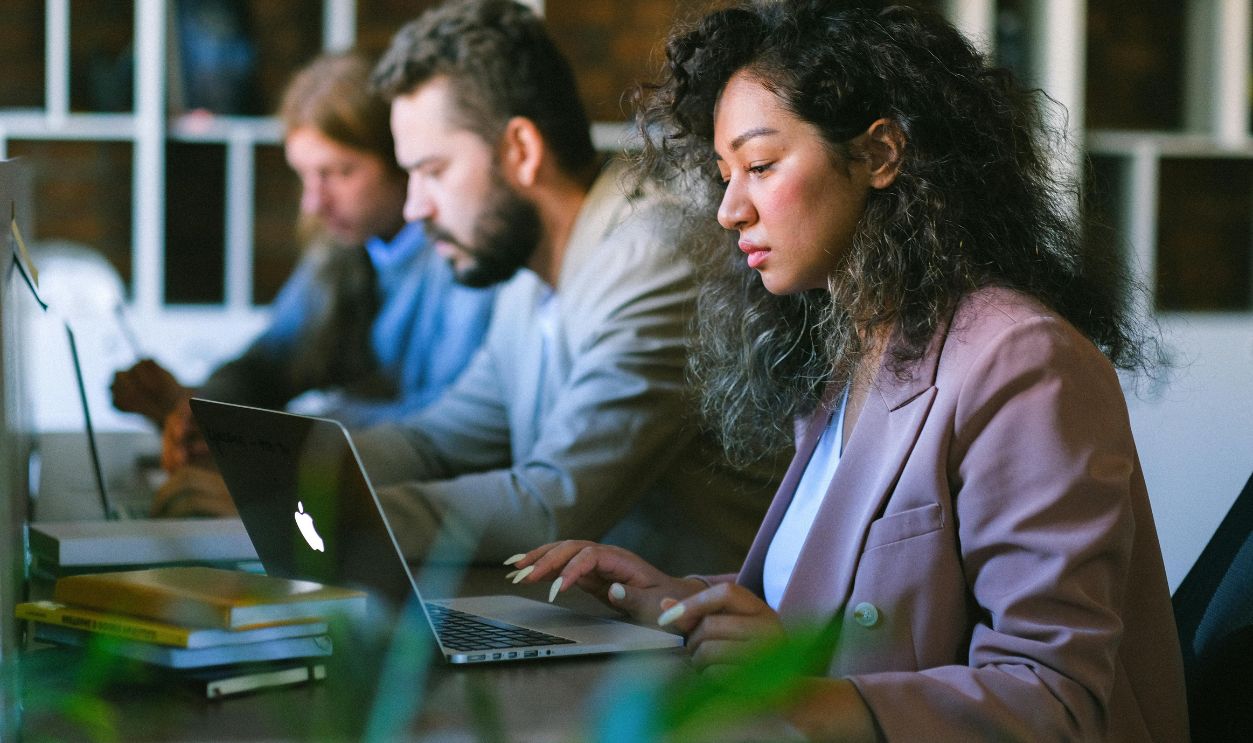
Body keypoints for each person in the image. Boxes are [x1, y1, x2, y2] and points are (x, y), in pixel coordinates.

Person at [509, 1, 1188, 740]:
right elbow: (835, 600)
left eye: (761, 165)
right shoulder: (856, 351)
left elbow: (1055, 701)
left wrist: (797, 689)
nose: (729, 209)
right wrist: (680, 601)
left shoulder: (1021, 360)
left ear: (878, 155)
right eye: (724, 173)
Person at [339, 0, 782, 574]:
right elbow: (439, 441)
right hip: (603, 631)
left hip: (709, 650)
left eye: (433, 171)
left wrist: (327, 512)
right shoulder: (529, 276)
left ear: (520, 151)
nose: (414, 207)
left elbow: (556, 503)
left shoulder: (655, 253)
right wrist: (289, 463)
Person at [111, 52, 496, 479]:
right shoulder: (343, 248)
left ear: (402, 160)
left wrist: (279, 434)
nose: (314, 202)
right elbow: (270, 362)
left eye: (338, 173)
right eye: (306, 176)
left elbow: (447, 426)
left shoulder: (463, 259)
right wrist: (201, 408)